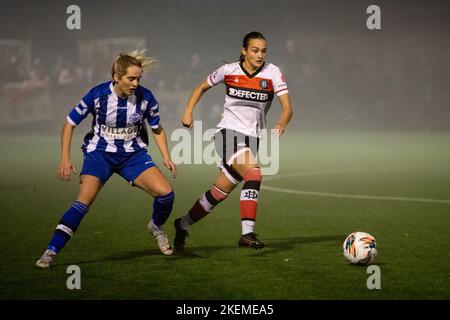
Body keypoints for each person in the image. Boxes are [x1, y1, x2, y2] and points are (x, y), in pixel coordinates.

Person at [36, 50, 177, 268]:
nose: (135, 83)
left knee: (166, 194)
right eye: (131, 78)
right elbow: (69, 124)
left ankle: (156, 227)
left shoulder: (146, 98)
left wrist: (166, 156)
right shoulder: (97, 94)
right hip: (99, 154)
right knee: (82, 202)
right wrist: (64, 157)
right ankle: (51, 250)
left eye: (138, 79)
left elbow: (157, 129)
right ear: (116, 76)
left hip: (133, 156)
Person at [173, 32, 293, 252]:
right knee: (254, 173)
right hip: (228, 134)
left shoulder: (273, 72)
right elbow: (201, 87)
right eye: (255, 50)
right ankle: (247, 233)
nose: (260, 55)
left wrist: (281, 123)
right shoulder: (229, 71)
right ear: (244, 51)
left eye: (263, 50)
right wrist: (188, 111)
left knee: (218, 193)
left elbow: (287, 107)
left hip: (252, 140)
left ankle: (182, 224)